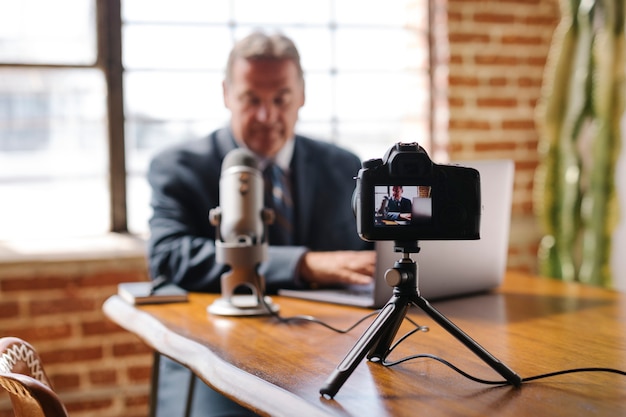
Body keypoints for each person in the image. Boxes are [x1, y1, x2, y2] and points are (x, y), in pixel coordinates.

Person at [147, 30, 375, 417]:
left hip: (328, 361)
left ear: (301, 95)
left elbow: (368, 258)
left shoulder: (344, 166)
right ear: (226, 94)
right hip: (218, 366)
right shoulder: (180, 167)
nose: (267, 116)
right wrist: (302, 264)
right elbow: (168, 257)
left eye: (281, 99)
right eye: (251, 100)